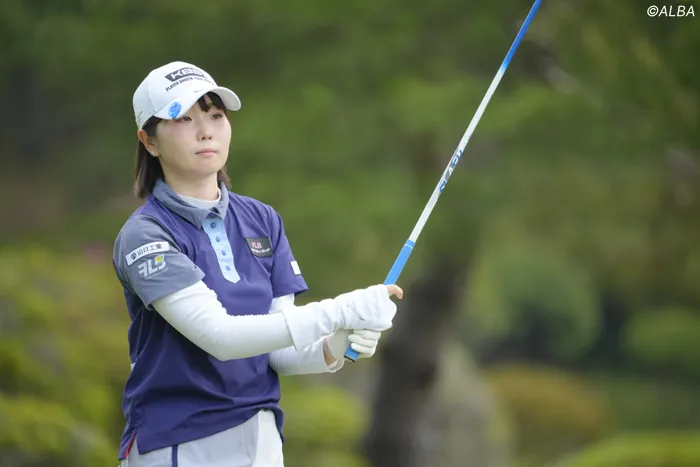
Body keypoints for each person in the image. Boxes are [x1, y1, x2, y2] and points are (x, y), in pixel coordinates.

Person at [112, 60, 403, 467]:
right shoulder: (146, 234)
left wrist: (338, 343)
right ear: (149, 141)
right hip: (181, 441)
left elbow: (276, 353)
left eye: (215, 115)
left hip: (262, 437)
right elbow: (220, 337)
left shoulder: (261, 219)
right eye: (184, 119)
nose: (205, 130)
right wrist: (341, 310)